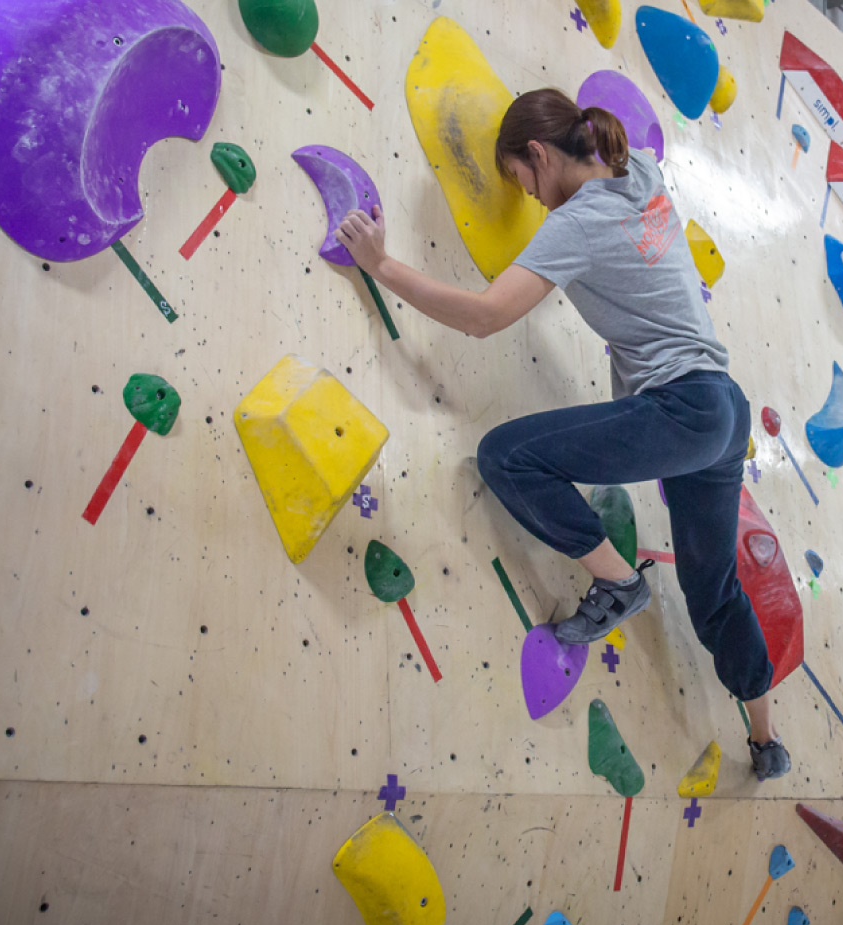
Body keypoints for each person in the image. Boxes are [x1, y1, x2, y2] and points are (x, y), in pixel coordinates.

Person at [335, 90, 791, 780]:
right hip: (724, 409)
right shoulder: (636, 173)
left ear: (539, 156)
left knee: (507, 456)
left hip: (684, 409)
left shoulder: (577, 222)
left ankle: (617, 585)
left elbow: (486, 318)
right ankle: (766, 740)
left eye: (523, 181)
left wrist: (382, 267)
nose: (533, 201)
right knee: (715, 592)